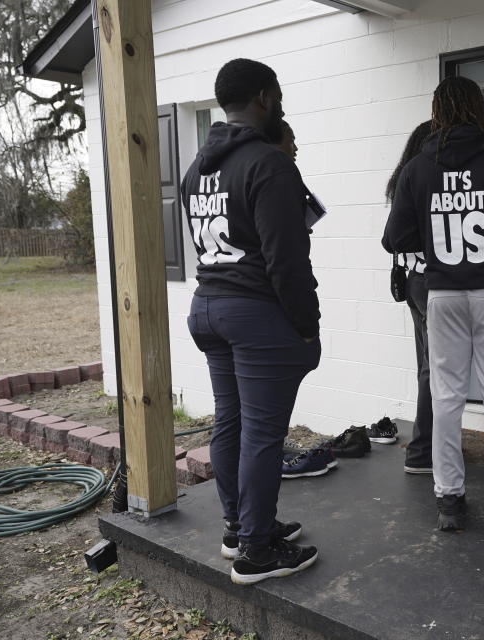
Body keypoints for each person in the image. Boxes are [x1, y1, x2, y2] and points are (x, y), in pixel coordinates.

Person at [182, 58, 322, 585]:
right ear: (264, 97)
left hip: (209, 307)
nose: (280, 100)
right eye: (278, 92)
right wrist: (306, 325)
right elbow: (285, 258)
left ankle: (239, 527)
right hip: (255, 313)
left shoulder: (199, 167)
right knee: (262, 434)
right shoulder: (268, 162)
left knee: (231, 421)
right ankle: (257, 552)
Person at [383, 77, 484, 534]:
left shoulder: (417, 169)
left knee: (446, 397)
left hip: (443, 292)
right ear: (478, 109)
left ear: (437, 112)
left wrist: (434, 237)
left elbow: (394, 239)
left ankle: (449, 499)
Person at [384, 120, 434, 475]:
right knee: (435, 371)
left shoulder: (405, 179)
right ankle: (422, 451)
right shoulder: (425, 181)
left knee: (427, 368)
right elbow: (392, 238)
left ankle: (430, 443)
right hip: (431, 282)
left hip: (415, 280)